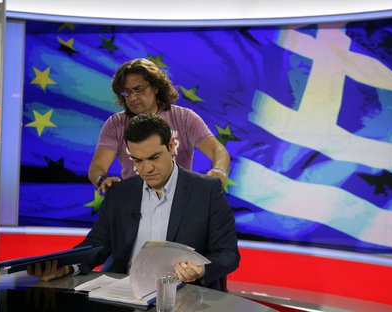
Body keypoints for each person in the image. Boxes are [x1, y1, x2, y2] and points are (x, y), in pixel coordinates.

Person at [29, 113, 240, 292]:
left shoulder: (206, 190)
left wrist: (200, 269)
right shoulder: (120, 193)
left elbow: (228, 254)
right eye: (137, 160)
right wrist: (66, 267)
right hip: (125, 295)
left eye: (154, 157)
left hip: (185, 297)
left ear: (171, 146)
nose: (146, 169)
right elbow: (96, 246)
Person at [89, 58, 230, 193]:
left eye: (138, 90)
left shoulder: (185, 118)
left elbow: (218, 150)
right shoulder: (115, 124)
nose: (132, 98)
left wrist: (219, 170)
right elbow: (97, 167)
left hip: (181, 204)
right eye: (126, 92)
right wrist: (102, 179)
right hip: (134, 206)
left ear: (156, 87)